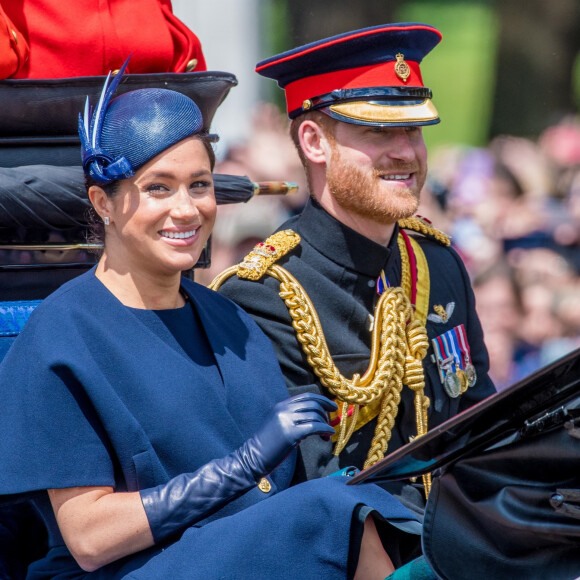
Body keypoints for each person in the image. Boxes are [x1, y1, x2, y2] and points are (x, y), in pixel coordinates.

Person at [0, 61, 423, 579]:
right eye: (158, 187)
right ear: (102, 203)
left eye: (199, 185)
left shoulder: (232, 319)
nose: (187, 209)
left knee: (381, 513)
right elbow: (89, 537)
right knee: (333, 514)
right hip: (122, 571)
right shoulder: (60, 334)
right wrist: (241, 466)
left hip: (237, 555)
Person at [214, 22, 496, 517]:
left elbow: (483, 426)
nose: (406, 152)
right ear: (314, 142)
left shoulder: (437, 264)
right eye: (379, 131)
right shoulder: (265, 293)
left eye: (413, 130)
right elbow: (311, 489)